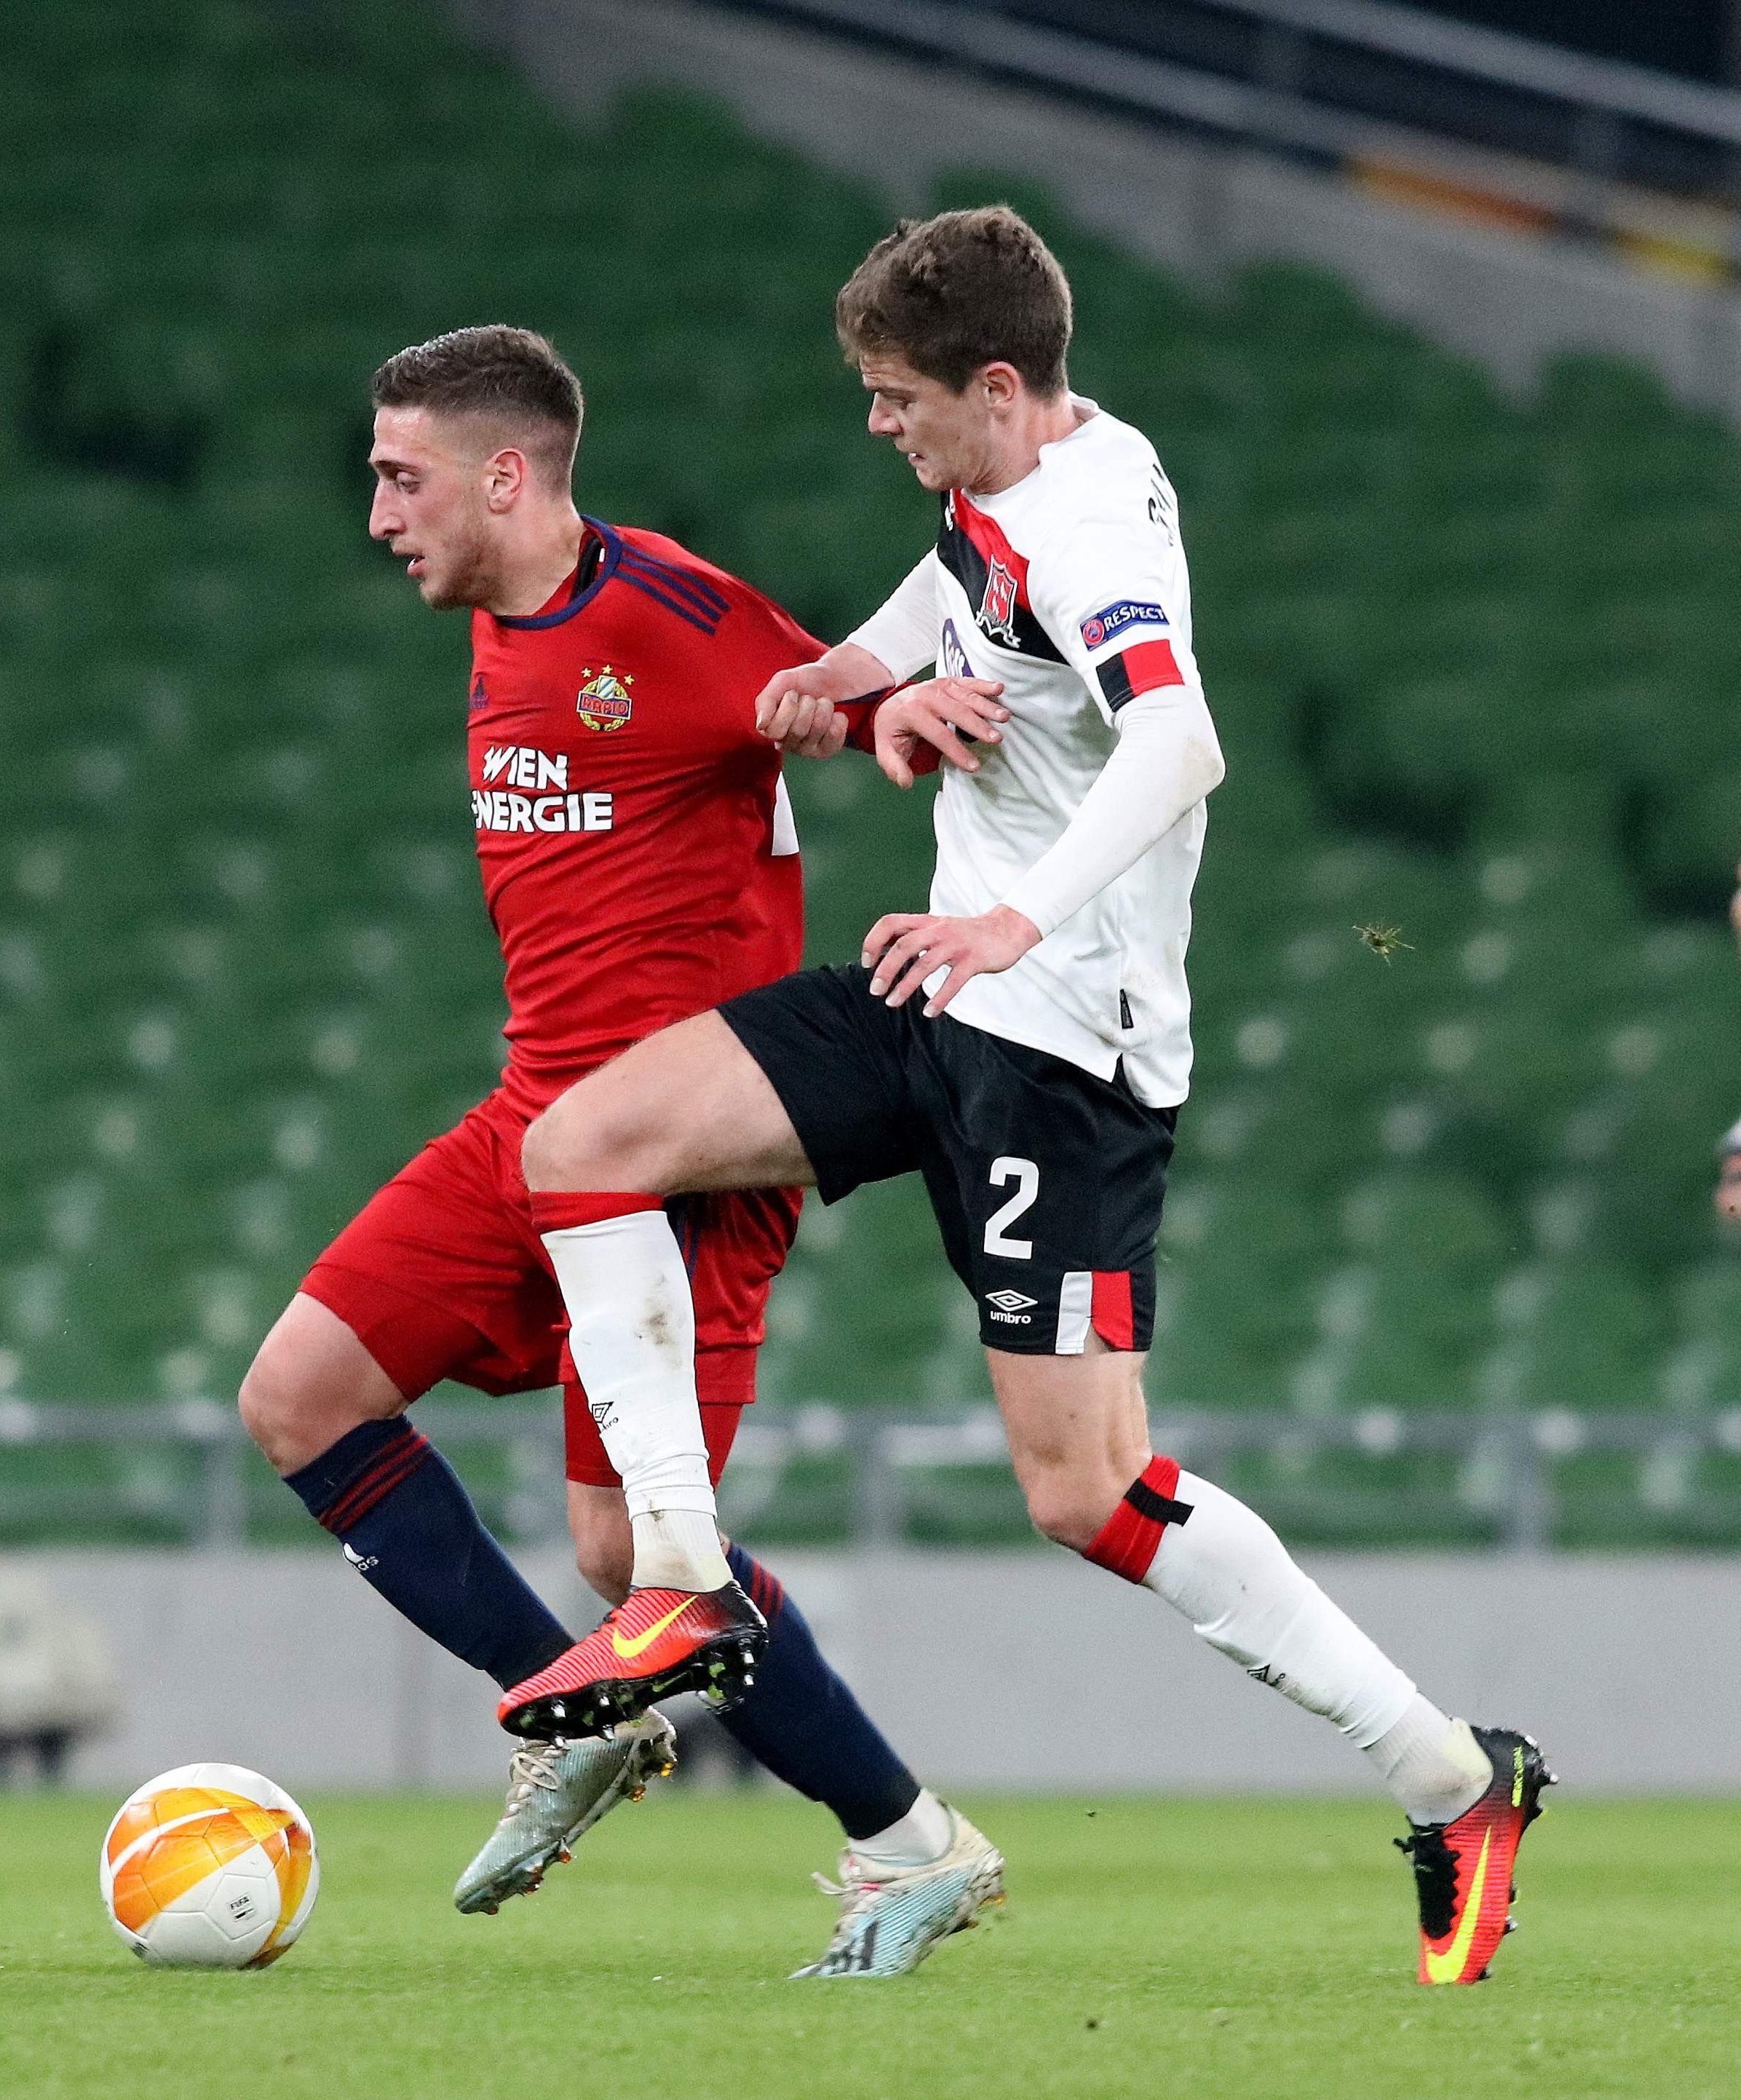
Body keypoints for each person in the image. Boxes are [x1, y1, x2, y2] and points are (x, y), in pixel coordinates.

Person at [505, 210, 1551, 1988]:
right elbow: (956, 581)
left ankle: (1456, 1780)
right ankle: (677, 1578)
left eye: (897, 397)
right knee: (581, 1143)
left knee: (1091, 1494)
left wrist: (1011, 915)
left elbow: (1179, 737)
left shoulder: (1087, 527)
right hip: (937, 995)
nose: (875, 423)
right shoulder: (1046, 459)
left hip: (1058, 1049)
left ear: (996, 388)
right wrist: (857, 668)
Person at [235, 325, 1002, 1977]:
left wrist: (885, 720)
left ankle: (911, 1844)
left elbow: (826, 695)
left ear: (505, 475)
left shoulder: (659, 610)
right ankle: (572, 1719)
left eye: (402, 478)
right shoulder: (505, 615)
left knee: (631, 1554)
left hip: (678, 1155)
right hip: (534, 1118)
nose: (379, 516)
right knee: (296, 1397)